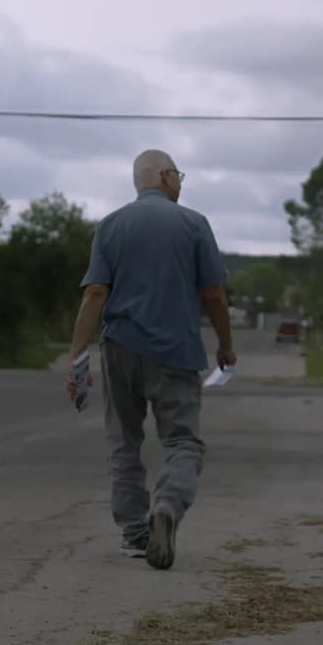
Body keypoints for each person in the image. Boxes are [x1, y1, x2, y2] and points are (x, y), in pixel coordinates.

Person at [65, 149, 236, 571]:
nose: (180, 181)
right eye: (178, 174)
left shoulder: (110, 225)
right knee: (182, 441)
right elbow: (214, 294)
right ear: (164, 176)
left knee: (124, 442)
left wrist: (76, 357)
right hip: (175, 352)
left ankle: (136, 534)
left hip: (120, 348)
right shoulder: (194, 224)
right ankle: (167, 506)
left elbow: (94, 294)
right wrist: (226, 346)